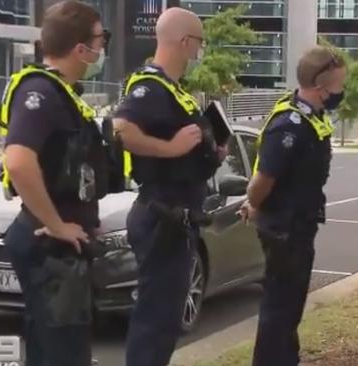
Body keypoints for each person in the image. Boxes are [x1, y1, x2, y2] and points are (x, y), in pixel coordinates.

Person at [0, 1, 115, 365]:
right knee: (63, 353)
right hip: (48, 247)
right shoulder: (42, 93)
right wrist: (56, 224)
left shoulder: (64, 94)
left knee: (53, 348)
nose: (103, 48)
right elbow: (18, 162)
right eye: (101, 39)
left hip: (57, 248)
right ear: (81, 49)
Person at [112, 7, 227, 366]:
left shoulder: (174, 92)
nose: (199, 53)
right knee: (156, 319)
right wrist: (171, 148)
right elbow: (121, 129)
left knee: (166, 319)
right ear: (185, 42)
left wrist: (210, 151)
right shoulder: (151, 87)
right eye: (199, 44)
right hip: (161, 212)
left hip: (178, 214)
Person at [239, 46, 346, 366]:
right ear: (320, 86)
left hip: (298, 224)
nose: (342, 92)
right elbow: (263, 180)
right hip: (284, 228)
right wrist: (252, 202)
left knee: (289, 307)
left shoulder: (310, 118)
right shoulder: (290, 124)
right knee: (280, 308)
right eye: (339, 85)